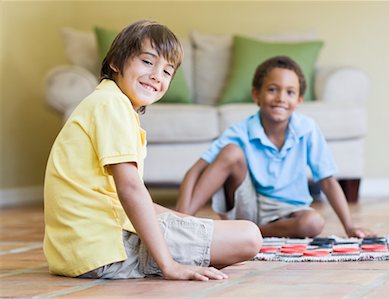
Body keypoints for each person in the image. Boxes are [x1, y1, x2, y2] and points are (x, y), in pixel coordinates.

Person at [43, 20, 262, 281]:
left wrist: (186, 221)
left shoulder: (106, 102)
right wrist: (169, 265)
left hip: (79, 252)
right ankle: (168, 260)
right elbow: (131, 190)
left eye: (167, 71)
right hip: (107, 251)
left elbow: (125, 198)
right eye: (148, 62)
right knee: (248, 236)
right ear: (115, 62)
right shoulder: (111, 106)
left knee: (226, 232)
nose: (157, 75)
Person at [176, 56, 375, 239]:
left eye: (290, 92)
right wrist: (180, 219)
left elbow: (328, 181)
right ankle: (184, 227)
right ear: (256, 94)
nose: (281, 97)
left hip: (289, 211)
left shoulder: (307, 130)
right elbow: (194, 171)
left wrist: (349, 226)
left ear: (298, 101)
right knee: (231, 152)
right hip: (248, 206)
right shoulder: (241, 131)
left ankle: (251, 233)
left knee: (313, 223)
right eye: (272, 89)